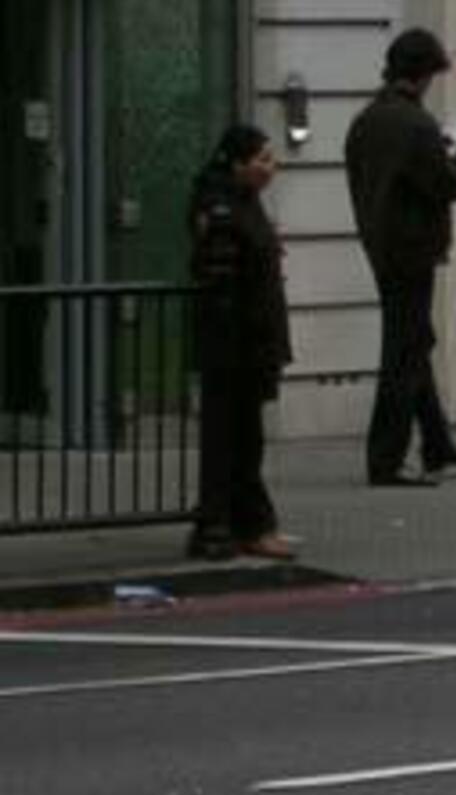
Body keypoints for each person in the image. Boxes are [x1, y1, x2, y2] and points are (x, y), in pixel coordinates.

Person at [345, 27, 456, 489]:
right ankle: (384, 460)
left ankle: (436, 443)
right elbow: (447, 185)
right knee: (403, 353)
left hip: (381, 243)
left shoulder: (366, 120)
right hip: (412, 247)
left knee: (415, 341)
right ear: (424, 74)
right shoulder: (415, 124)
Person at [187, 125, 294, 561]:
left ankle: (234, 523)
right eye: (262, 160)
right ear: (237, 163)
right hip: (234, 342)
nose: (271, 168)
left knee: (243, 437)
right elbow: (221, 276)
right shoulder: (222, 208)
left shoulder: (242, 202)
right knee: (233, 438)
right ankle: (227, 525)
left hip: (250, 338)